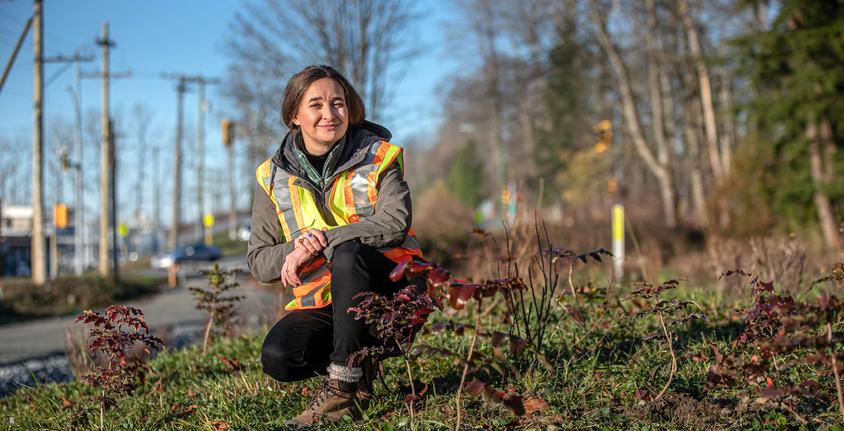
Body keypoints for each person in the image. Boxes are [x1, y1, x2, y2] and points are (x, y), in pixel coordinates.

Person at [247, 65, 424, 428]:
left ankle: (343, 391)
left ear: (350, 108)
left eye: (337, 103)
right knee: (279, 356)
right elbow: (259, 261)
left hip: (390, 290)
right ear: (294, 115)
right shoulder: (271, 177)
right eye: (316, 105)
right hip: (328, 299)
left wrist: (323, 239)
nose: (329, 114)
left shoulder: (379, 157)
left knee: (349, 254)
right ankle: (360, 367)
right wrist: (298, 246)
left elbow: (395, 222)